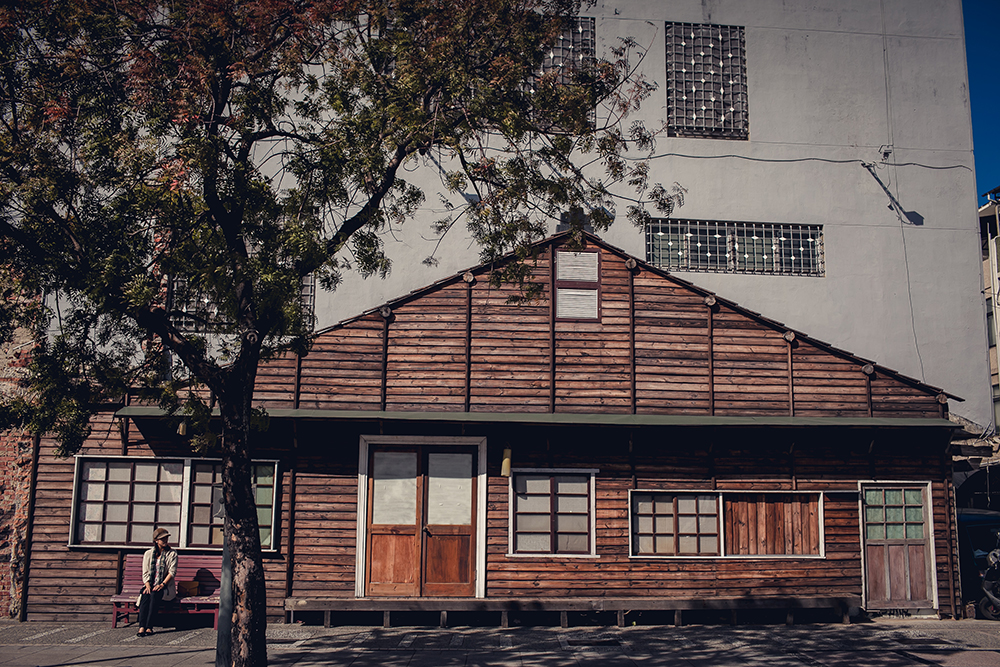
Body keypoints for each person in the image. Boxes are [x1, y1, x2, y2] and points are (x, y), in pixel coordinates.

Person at [136, 527, 177, 637]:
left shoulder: (172, 554)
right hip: (151, 583)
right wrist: (148, 585)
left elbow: (172, 572)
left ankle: (149, 627)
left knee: (155, 595)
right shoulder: (148, 554)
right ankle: (141, 627)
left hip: (165, 586)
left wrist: (162, 584)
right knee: (145, 594)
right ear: (156, 540)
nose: (165, 541)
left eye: (166, 538)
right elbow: (145, 572)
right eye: (162, 539)